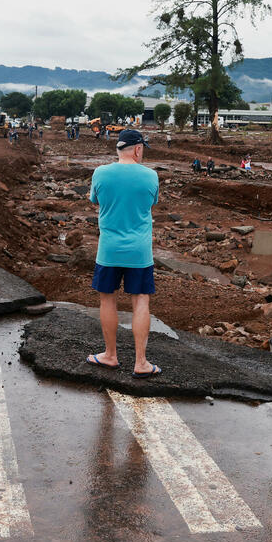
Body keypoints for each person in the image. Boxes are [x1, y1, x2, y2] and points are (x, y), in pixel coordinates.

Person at [87, 129, 160, 378]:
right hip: (139, 252)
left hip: (108, 249)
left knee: (107, 299)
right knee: (140, 300)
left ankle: (110, 355)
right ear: (138, 149)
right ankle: (141, 362)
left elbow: (95, 201)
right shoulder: (151, 176)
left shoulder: (100, 173)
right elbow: (150, 204)